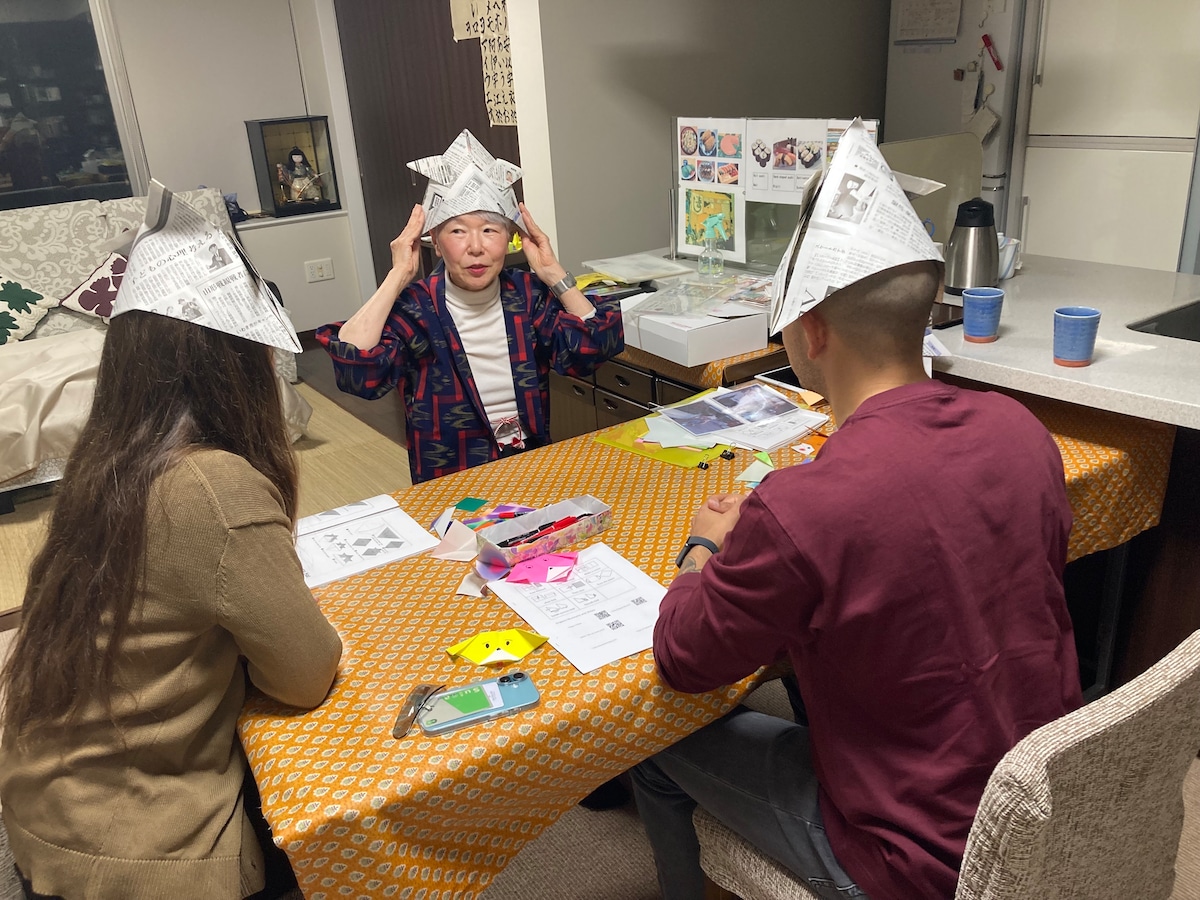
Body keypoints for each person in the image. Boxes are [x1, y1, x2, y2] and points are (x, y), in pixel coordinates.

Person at [631, 254, 1083, 899]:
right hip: (1038, 795)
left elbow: (684, 658)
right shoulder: (1021, 429)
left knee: (653, 749)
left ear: (813, 331)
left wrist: (701, 549)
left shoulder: (801, 505)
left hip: (916, 854)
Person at [0, 271, 343, 894]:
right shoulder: (213, 485)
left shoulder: (106, 455)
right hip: (138, 844)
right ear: (238, 363)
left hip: (44, 799)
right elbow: (305, 674)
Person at [316, 198, 623, 483]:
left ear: (510, 238)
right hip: (450, 477)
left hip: (529, 465)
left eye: (490, 230)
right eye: (458, 231)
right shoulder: (416, 308)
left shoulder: (527, 295)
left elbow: (592, 348)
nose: (476, 247)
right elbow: (358, 373)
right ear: (435, 241)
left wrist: (552, 271)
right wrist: (398, 274)